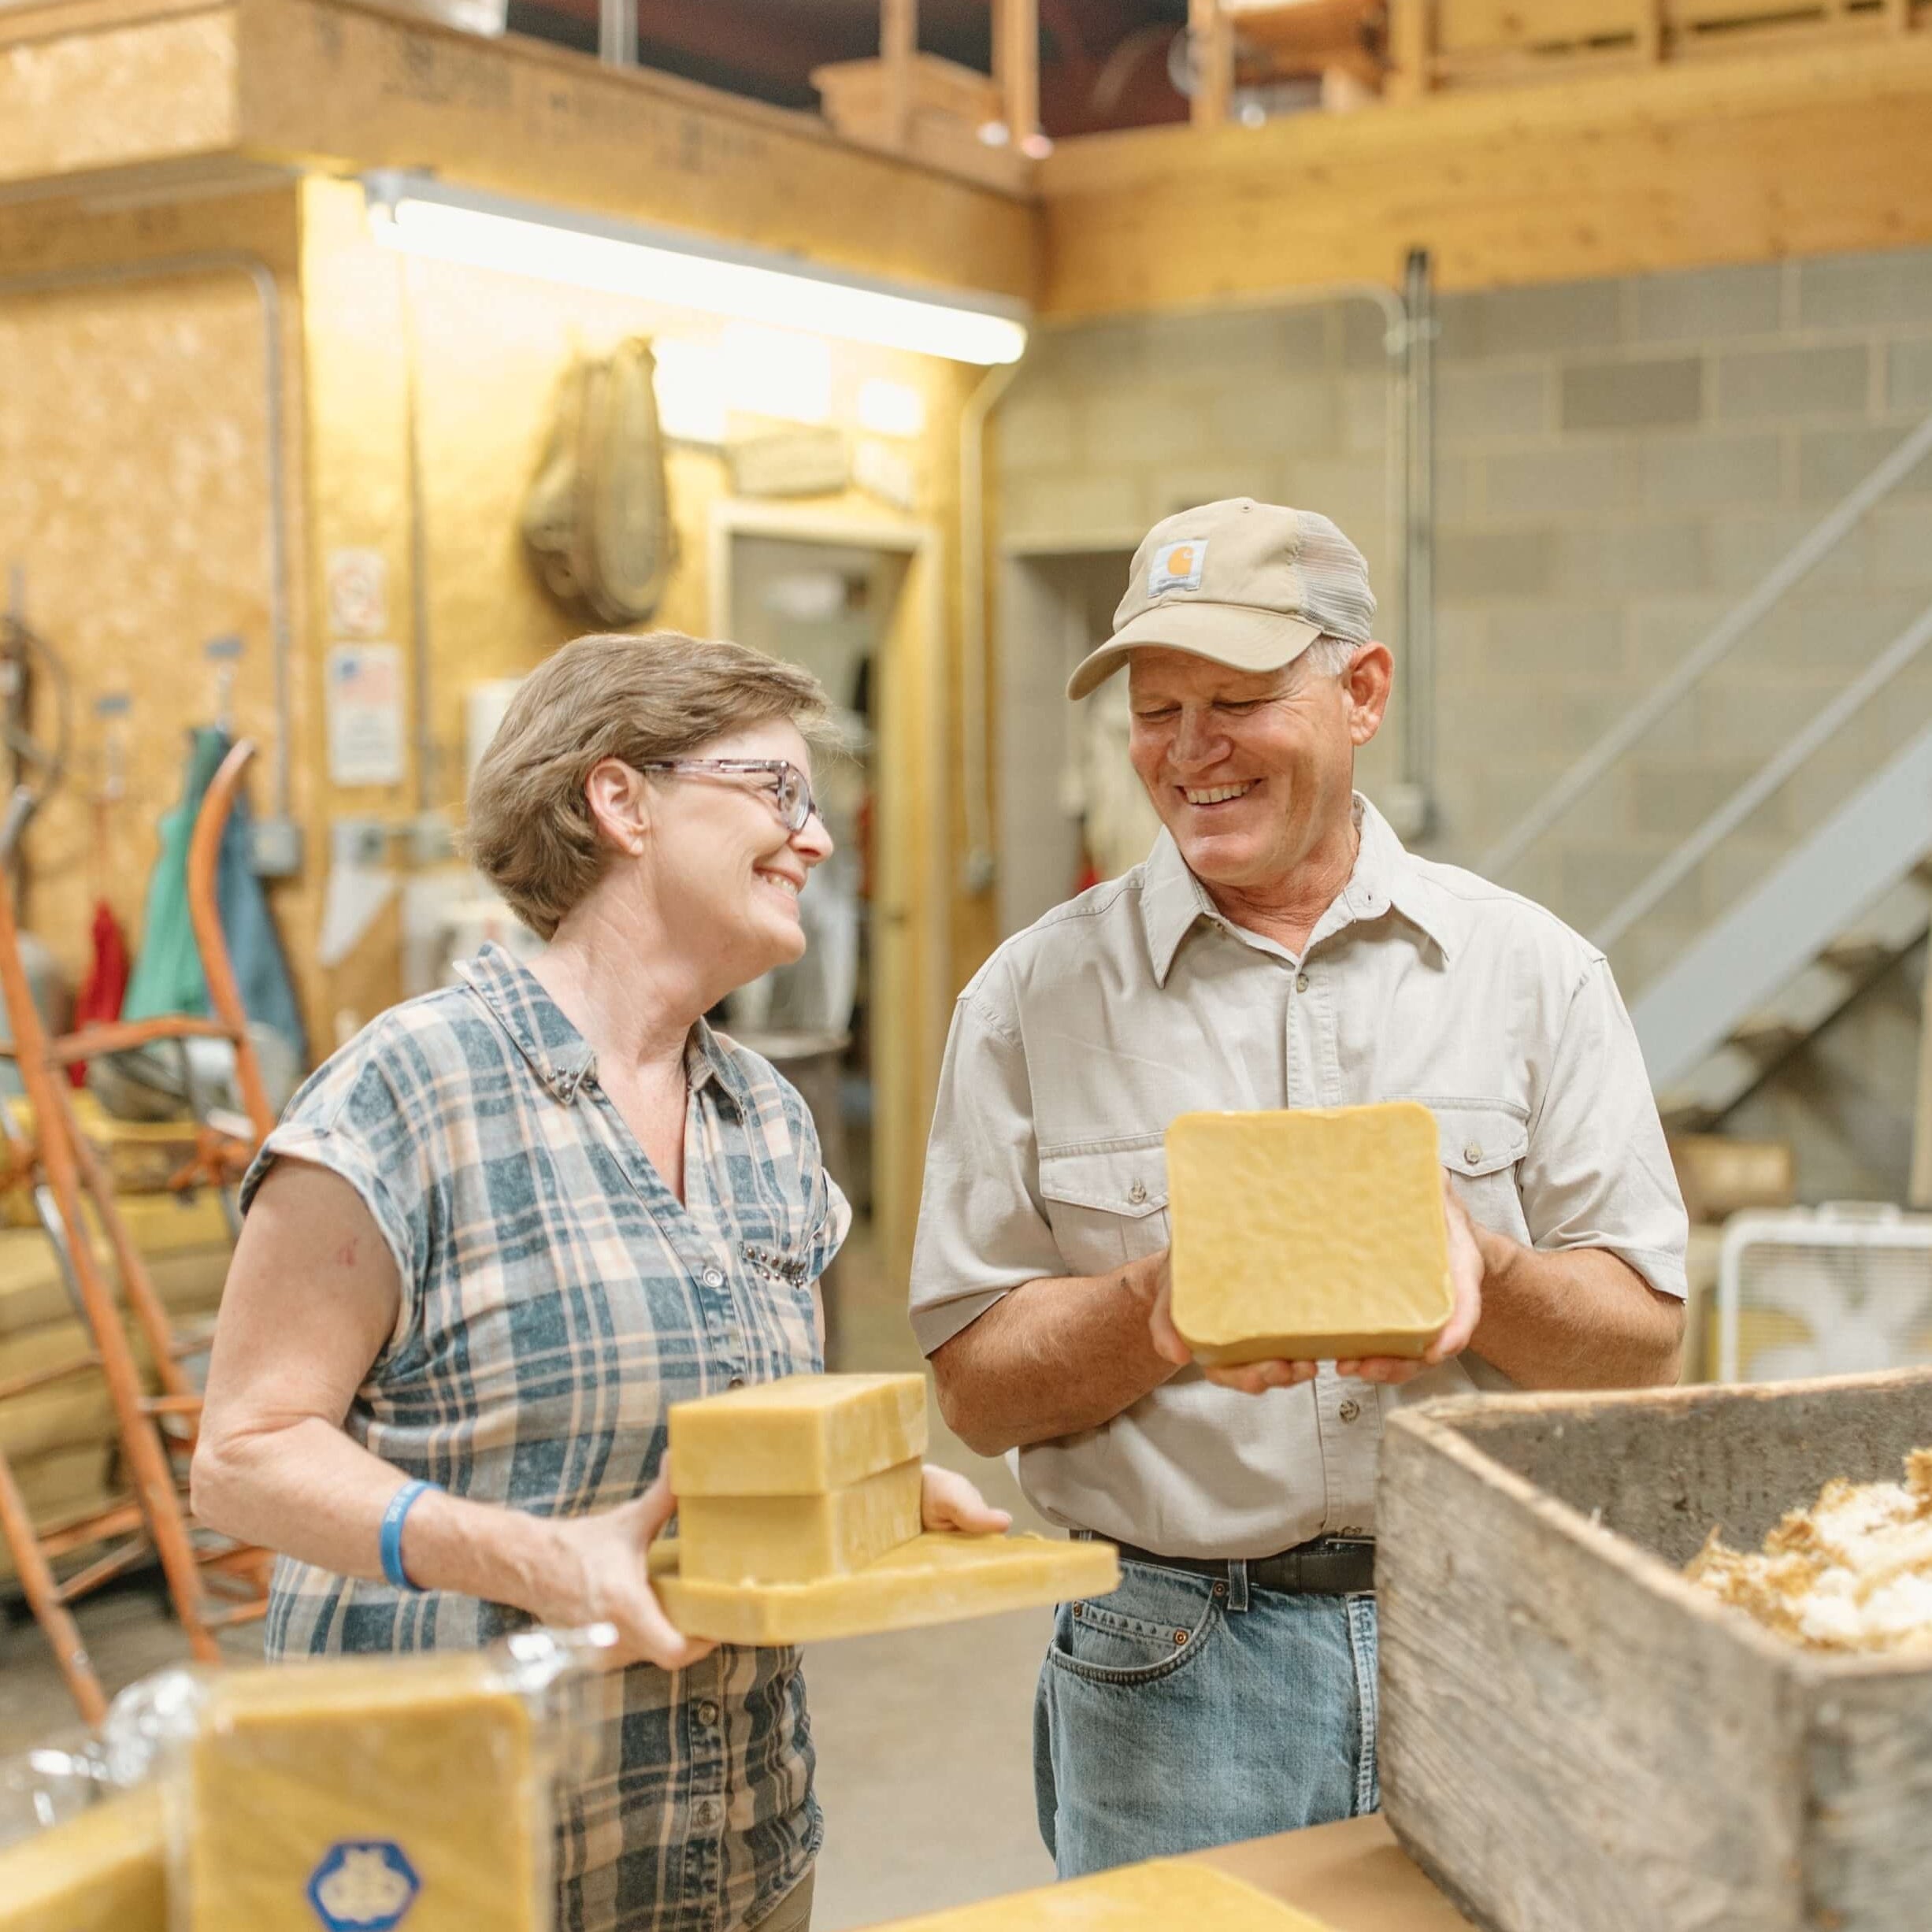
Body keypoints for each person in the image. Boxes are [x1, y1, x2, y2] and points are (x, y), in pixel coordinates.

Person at [908, 499, 1688, 1877]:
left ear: (1361, 690)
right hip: (1169, 1655)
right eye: (1156, 709)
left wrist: (1484, 1273)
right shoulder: (1028, 999)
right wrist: (1159, 1307)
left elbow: (1639, 1344)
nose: (1188, 750)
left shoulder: (1531, 973)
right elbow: (975, 1391)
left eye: (1238, 699)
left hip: (1488, 1626)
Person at [192, 630, 1007, 1932]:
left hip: (728, 1838)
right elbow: (241, 1453)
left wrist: (861, 1490)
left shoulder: (764, 1121)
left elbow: (712, 1432)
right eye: (777, 793)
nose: (818, 840)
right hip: (442, 1853)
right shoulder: (410, 1089)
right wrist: (529, 1557)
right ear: (619, 800)